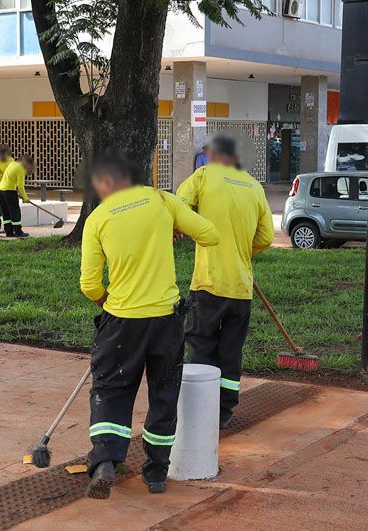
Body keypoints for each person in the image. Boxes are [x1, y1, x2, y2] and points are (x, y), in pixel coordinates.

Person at [80, 154, 219, 500]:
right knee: (163, 393)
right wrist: (175, 227)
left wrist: (108, 302)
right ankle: (156, 472)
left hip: (121, 323)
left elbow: (89, 284)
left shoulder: (98, 219)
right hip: (165, 322)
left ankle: (105, 462)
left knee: (111, 389)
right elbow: (210, 234)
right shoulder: (163, 200)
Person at [177, 134, 274, 429]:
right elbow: (267, 237)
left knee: (201, 344)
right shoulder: (255, 187)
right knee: (231, 350)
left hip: (208, 284)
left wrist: (187, 227)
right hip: (241, 287)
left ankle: (199, 408)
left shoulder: (204, 176)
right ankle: (224, 411)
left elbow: (178, 206)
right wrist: (243, 253)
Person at [0, 155, 33, 237]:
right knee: (15, 212)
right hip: (9, 192)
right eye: (29, 165)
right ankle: (18, 232)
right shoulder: (21, 169)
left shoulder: (12, 164)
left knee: (6, 213)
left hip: (1, 191)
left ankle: (8, 232)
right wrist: (25, 197)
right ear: (26, 163)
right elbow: (20, 186)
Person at [0, 145, 14, 229]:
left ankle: (9, 225)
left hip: (10, 186)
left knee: (8, 205)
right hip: (0, 186)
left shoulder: (11, 161)